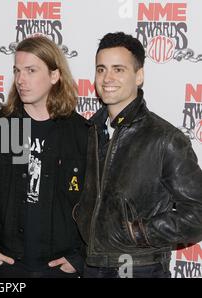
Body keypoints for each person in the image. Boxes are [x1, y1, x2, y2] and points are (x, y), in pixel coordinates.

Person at [74, 32, 202, 278]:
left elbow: (197, 212)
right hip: (91, 265)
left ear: (139, 76)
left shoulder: (165, 138)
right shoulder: (89, 132)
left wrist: (138, 232)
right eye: (101, 69)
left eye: (118, 69)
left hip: (140, 267)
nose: (107, 78)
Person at [0, 36, 88, 278]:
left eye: (31, 71)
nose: (21, 80)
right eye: (17, 71)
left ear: (54, 75)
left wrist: (80, 257)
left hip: (60, 268)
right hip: (9, 265)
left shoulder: (82, 133)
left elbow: (95, 204)